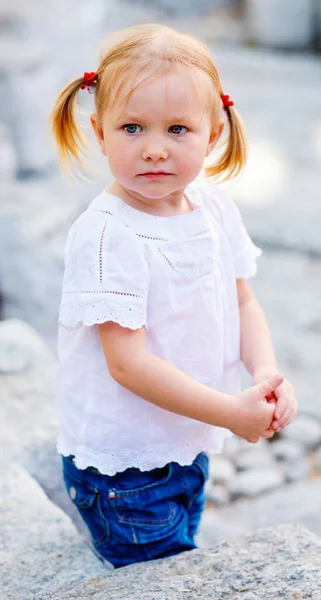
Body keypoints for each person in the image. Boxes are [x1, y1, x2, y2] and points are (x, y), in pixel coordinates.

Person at [49, 23, 298, 569]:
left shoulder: (212, 208)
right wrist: (231, 412)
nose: (154, 149)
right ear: (99, 131)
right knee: (159, 573)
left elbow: (243, 301)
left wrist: (264, 377)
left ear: (213, 135)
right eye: (132, 127)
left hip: (187, 439)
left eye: (178, 129)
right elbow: (128, 365)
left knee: (177, 556)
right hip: (127, 469)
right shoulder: (109, 235)